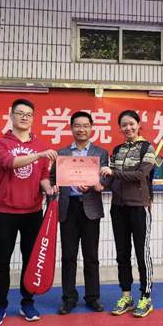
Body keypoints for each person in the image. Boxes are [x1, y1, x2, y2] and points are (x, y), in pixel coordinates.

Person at [0, 98, 57, 326]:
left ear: (33, 118)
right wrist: (39, 155)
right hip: (6, 212)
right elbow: (10, 163)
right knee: (2, 262)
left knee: (31, 261)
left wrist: (49, 189)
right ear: (11, 115)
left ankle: (27, 302)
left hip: (33, 212)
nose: (25, 117)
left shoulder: (40, 144)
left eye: (29, 114)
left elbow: (43, 176)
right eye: (20, 113)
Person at [50, 111, 108, 315]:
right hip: (69, 207)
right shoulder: (62, 153)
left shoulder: (101, 152)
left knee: (91, 256)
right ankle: (69, 298)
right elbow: (52, 178)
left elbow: (106, 177)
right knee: (68, 256)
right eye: (77, 125)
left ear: (91, 128)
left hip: (90, 207)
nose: (81, 129)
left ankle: (93, 297)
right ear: (71, 128)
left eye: (85, 125)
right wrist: (53, 187)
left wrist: (99, 184)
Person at [100, 110, 156, 318]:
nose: (128, 128)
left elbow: (141, 174)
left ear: (138, 124)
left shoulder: (147, 147)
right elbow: (111, 178)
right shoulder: (117, 149)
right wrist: (99, 184)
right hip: (118, 207)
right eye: (124, 125)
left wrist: (113, 173)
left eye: (131, 124)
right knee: (122, 253)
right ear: (120, 128)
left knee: (142, 253)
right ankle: (126, 296)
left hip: (139, 207)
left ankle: (145, 297)